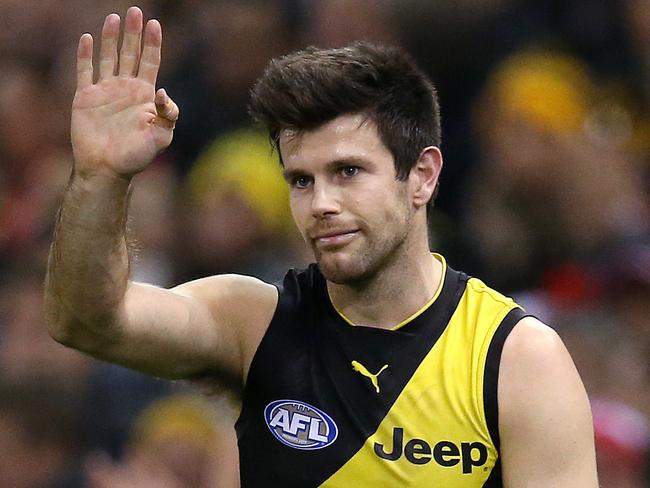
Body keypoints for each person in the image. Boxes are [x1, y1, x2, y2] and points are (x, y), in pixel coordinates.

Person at [45, 6, 599, 487]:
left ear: (423, 176)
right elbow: (88, 321)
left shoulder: (516, 359)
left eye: (348, 171)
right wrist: (100, 179)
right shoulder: (254, 322)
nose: (321, 203)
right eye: (301, 180)